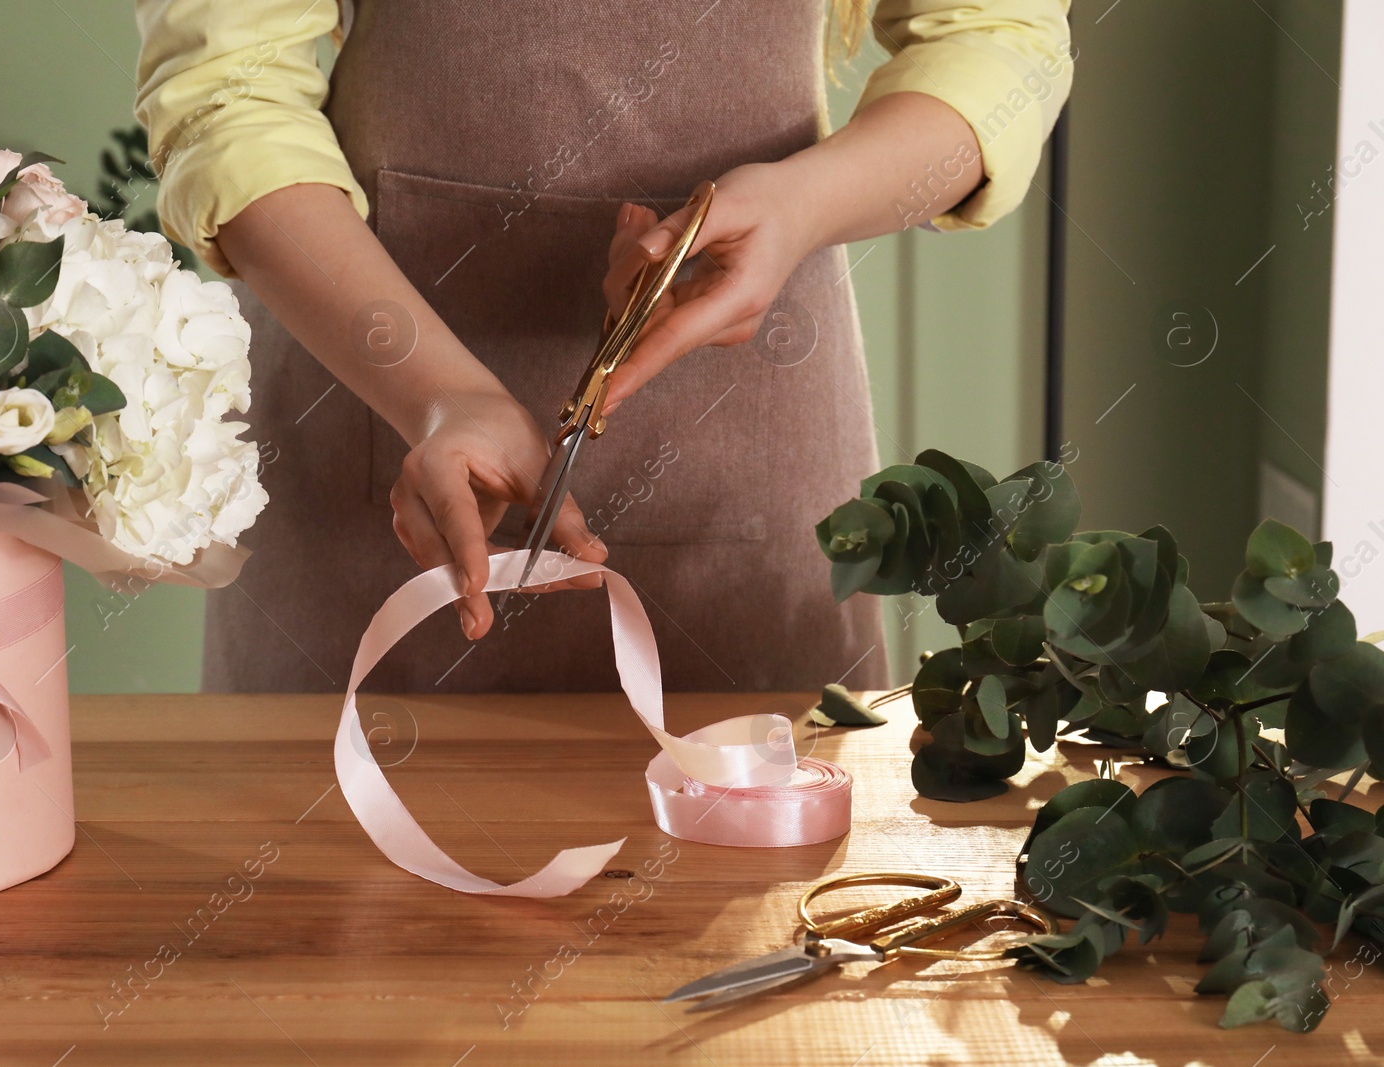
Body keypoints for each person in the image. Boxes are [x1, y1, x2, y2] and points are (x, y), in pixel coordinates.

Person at [134, 0, 1073, 693]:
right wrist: (436, 394)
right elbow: (226, 97)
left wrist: (800, 207)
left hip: (752, 439)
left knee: (758, 900)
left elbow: (997, 40)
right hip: (369, 428)